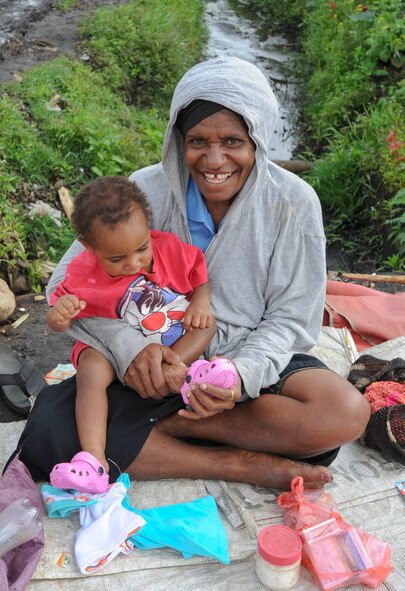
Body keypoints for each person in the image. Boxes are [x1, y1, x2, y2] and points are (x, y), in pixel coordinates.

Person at [8, 57, 370, 491]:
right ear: (178, 139)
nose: (214, 160)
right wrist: (131, 348)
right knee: (50, 429)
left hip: (247, 356)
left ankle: (168, 431)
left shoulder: (293, 203)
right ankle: (241, 464)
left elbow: (292, 318)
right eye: (198, 140)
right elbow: (64, 283)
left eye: (233, 140)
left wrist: (237, 376)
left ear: (258, 138)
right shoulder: (144, 190)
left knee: (343, 413)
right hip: (152, 363)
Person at [46, 176, 215, 491]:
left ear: (148, 227)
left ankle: (177, 369)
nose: (133, 263)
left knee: (206, 325)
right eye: (116, 259)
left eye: (141, 249)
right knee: (90, 369)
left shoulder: (167, 248)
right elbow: (57, 319)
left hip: (169, 333)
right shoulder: (81, 273)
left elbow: (197, 270)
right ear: (88, 246)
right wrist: (61, 313)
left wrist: (201, 302)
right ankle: (93, 459)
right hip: (113, 347)